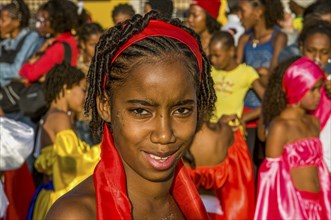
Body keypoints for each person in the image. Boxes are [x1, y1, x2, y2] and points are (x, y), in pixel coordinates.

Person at [45, 11, 216, 219]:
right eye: (141, 111)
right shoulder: (78, 214)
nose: (164, 135)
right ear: (105, 106)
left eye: (182, 110)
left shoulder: (187, 205)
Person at [255, 56, 331, 219]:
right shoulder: (280, 127)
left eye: (320, 89)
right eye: (313, 90)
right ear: (298, 88)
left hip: (320, 205)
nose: (318, 95)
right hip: (292, 209)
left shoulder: (314, 123)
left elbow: (320, 170)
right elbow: (271, 180)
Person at [28, 64, 100, 220]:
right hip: (59, 198)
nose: (86, 95)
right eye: (83, 89)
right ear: (67, 88)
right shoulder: (60, 118)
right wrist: (105, 148)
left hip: (49, 195)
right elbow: (72, 165)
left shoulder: (51, 115)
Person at [237, 0, 287, 172]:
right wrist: (258, 73)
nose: (239, 16)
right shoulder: (244, 39)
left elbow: (273, 77)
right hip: (243, 111)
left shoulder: (278, 38)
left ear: (258, 12)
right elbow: (236, 72)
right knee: (245, 167)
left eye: (243, 11)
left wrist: (250, 74)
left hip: (265, 113)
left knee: (262, 164)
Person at [209, 30, 264, 125]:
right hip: (209, 128)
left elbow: (268, 102)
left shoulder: (246, 72)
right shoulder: (210, 70)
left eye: (217, 56)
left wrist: (243, 118)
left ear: (231, 51)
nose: (213, 60)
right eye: (211, 56)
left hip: (231, 130)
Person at [19, 0, 79, 83]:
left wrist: (29, 62)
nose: (39, 25)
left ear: (56, 21)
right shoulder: (71, 40)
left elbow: (29, 74)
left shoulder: (57, 48)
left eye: (42, 20)